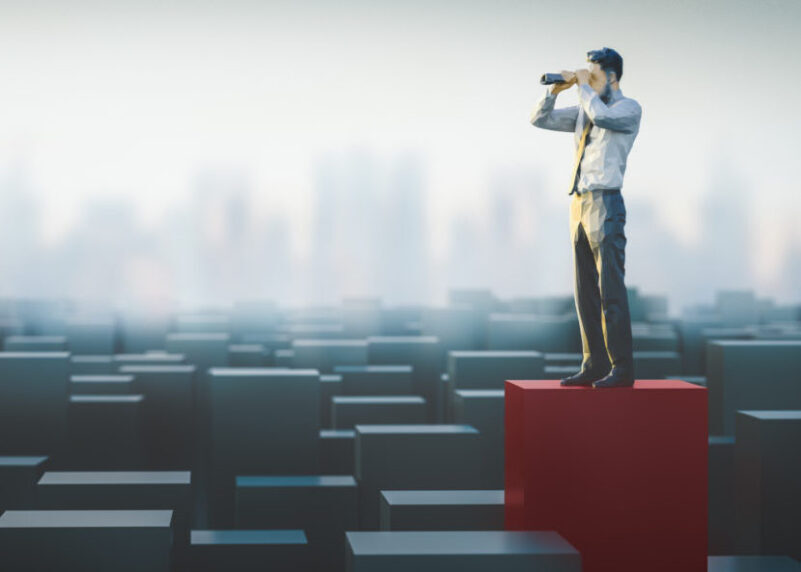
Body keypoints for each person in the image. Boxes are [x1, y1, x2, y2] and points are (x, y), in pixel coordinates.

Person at [530, 47, 642, 388]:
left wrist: (582, 86)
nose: (588, 81)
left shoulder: (628, 109)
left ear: (612, 76)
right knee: (584, 293)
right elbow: (540, 120)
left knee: (610, 290)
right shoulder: (584, 109)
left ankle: (621, 369)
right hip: (579, 203)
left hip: (606, 201)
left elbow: (602, 117)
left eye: (593, 75)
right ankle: (594, 363)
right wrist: (554, 92)